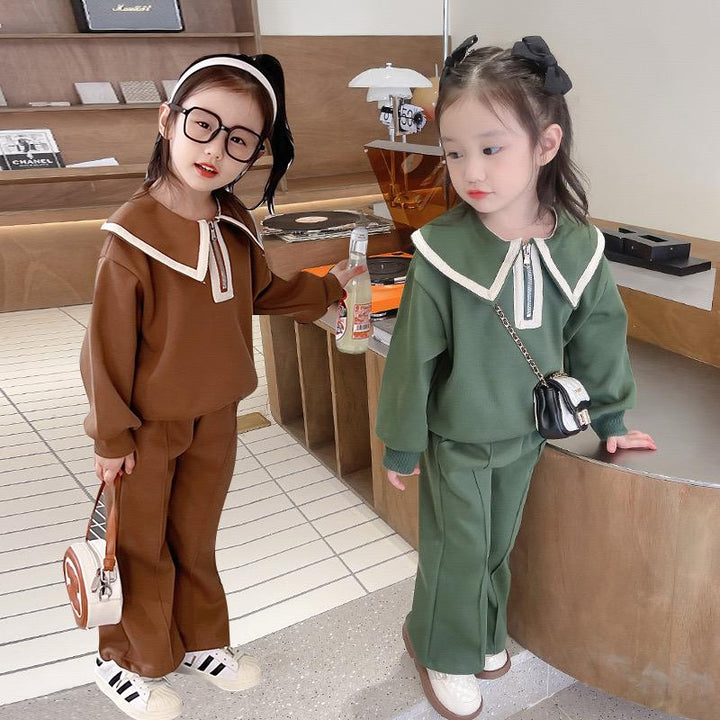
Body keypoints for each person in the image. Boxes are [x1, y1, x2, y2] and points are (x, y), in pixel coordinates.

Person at [375, 35, 656, 720]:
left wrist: (613, 419)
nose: (470, 170)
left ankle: (481, 634)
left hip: (527, 435)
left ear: (546, 144)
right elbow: (412, 357)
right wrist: (403, 443)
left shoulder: (578, 245)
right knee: (458, 550)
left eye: (491, 147)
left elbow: (599, 336)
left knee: (497, 545)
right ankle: (442, 649)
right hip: (459, 436)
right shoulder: (442, 248)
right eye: (454, 152)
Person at [80, 52, 363, 720]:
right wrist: (112, 436)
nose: (215, 150)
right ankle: (125, 659)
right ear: (167, 120)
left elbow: (262, 292)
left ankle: (201, 640)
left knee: (194, 536)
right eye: (202, 125)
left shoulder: (233, 222)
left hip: (218, 416)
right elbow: (104, 348)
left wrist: (326, 289)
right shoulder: (131, 236)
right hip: (147, 428)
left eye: (239, 139)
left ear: (255, 153)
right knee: (138, 546)